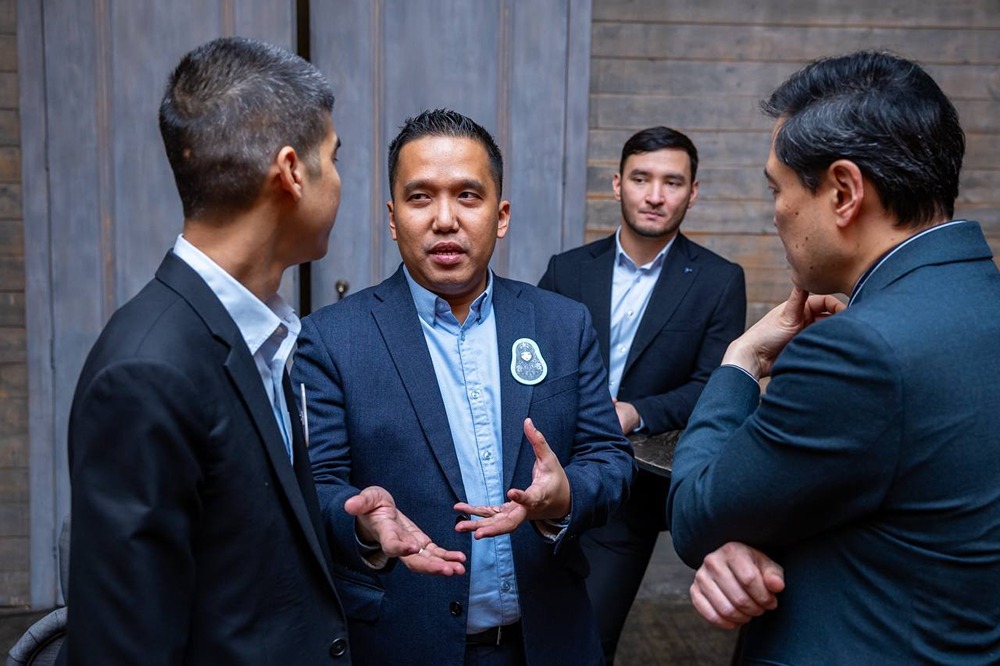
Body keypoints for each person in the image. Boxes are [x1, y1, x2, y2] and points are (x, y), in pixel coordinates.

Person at [59, 37, 441, 665]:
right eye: (333, 158)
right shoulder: (146, 373)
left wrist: (358, 528)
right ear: (291, 172)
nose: (340, 180)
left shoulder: (262, 338)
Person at [667, 50, 1000, 663]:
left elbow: (695, 515)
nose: (775, 213)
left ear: (843, 191)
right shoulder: (980, 299)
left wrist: (742, 358)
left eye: (778, 188)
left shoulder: (856, 351)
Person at [292, 108, 636, 666]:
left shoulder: (561, 324)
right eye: (420, 197)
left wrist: (565, 495)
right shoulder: (332, 340)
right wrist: (363, 523)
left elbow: (609, 457)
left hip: (550, 641)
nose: (445, 219)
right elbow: (319, 486)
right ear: (393, 218)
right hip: (404, 645)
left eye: (468, 196)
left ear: (501, 216)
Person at [537, 126, 745, 662]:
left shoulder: (719, 281)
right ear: (617, 184)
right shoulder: (567, 270)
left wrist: (635, 411)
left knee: (588, 636)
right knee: (522, 621)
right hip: (542, 470)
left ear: (692, 192)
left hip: (629, 490)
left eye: (672, 182)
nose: (655, 195)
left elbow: (712, 387)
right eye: (640, 178)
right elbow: (531, 365)